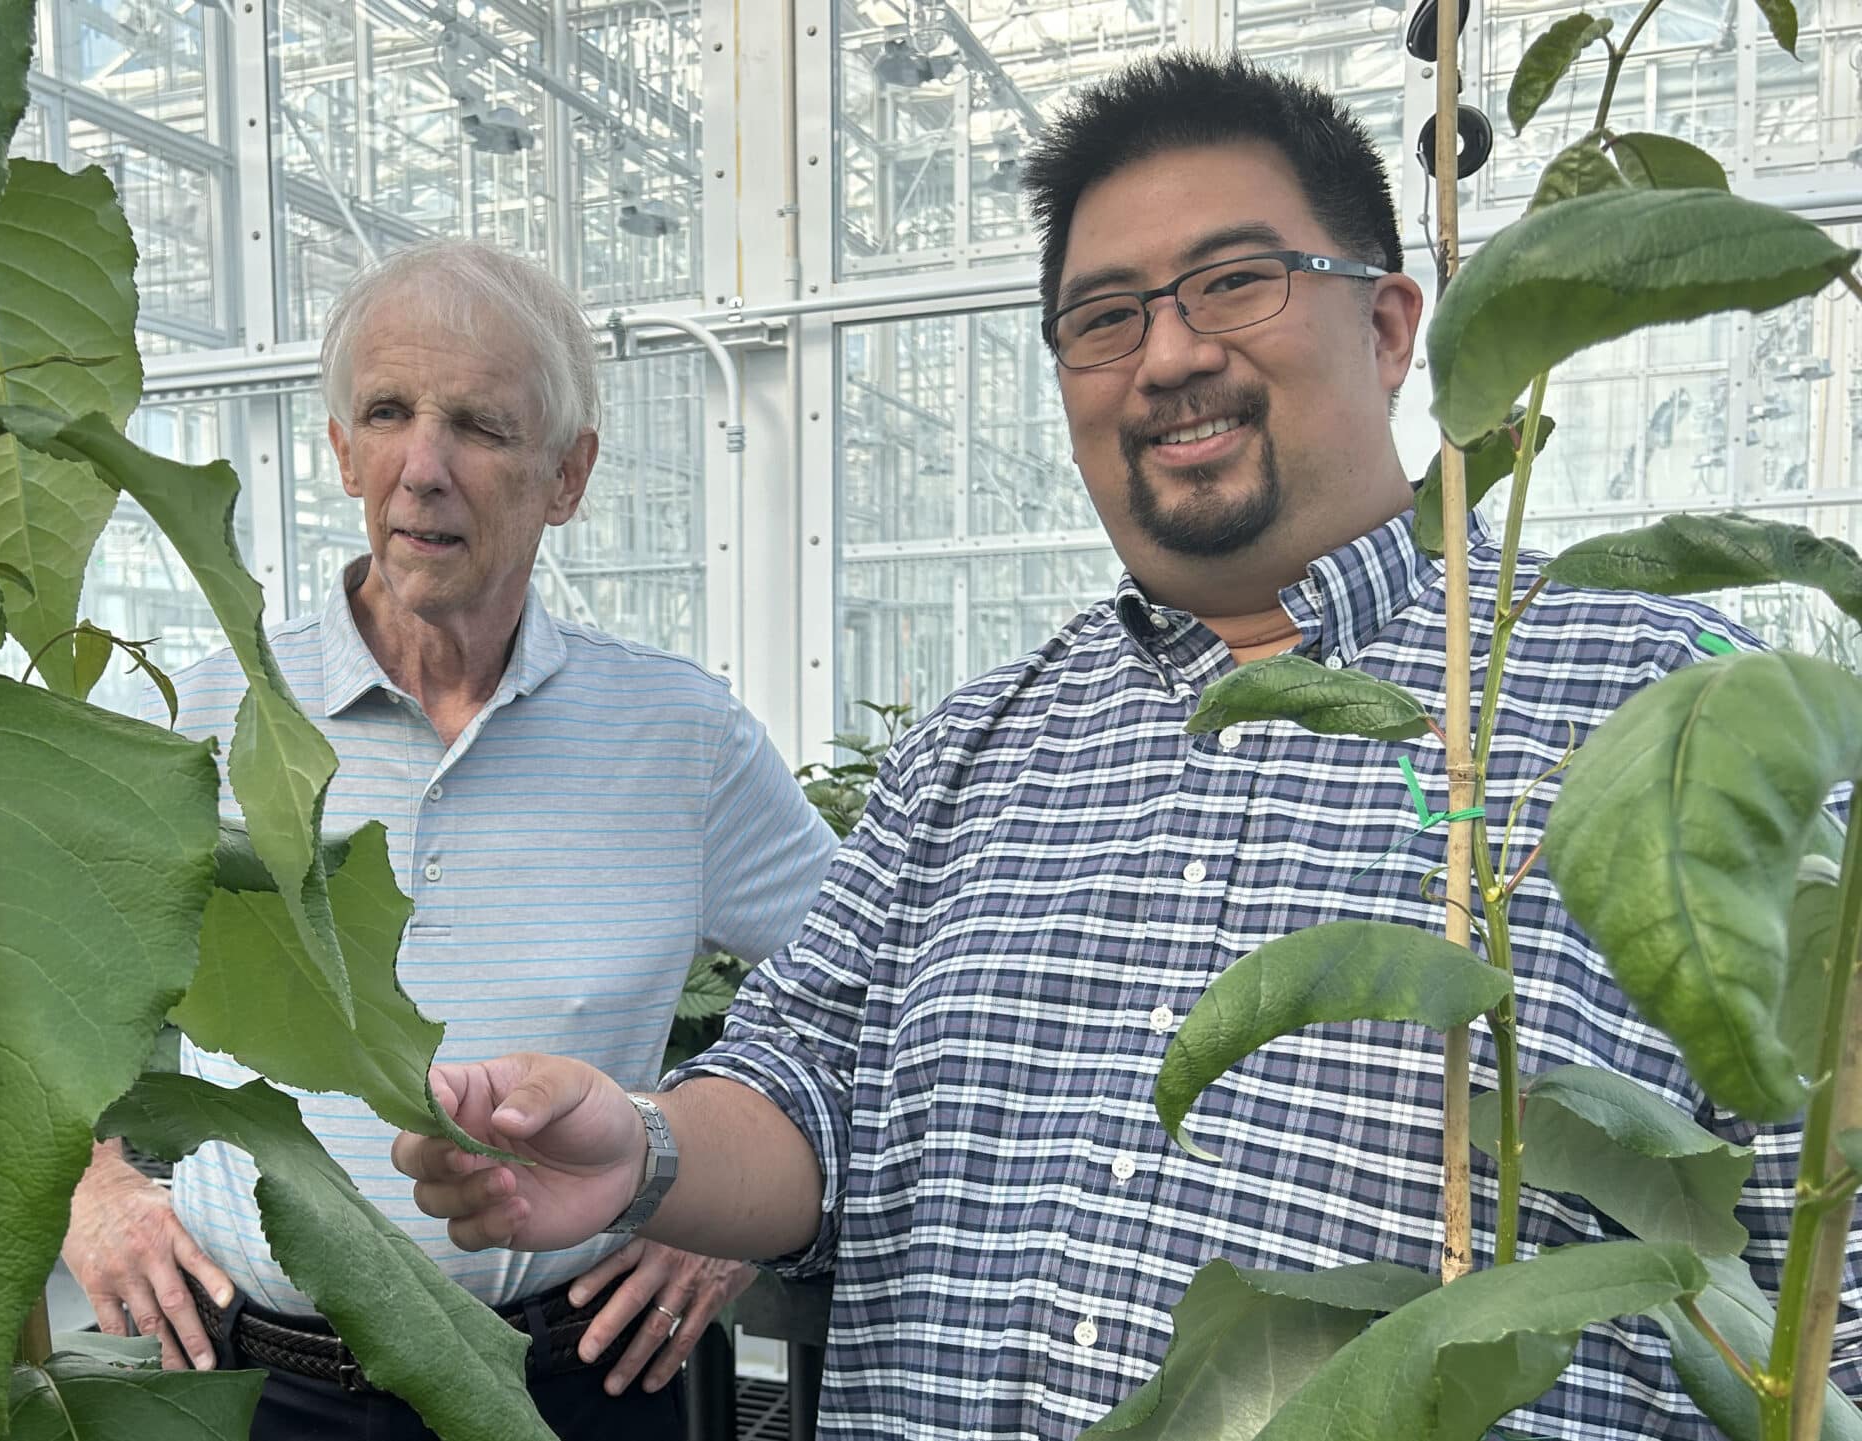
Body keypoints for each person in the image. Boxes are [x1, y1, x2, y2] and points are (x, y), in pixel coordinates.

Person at [393, 54, 1862, 1440]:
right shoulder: (976, 755)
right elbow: (802, 1086)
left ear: (1392, 323)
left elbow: (1824, 1291)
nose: (1165, 355)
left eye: (1235, 283)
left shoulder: (1656, 722)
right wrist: (640, 1149)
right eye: (1103, 318)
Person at [60, 239, 838, 1439]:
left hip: (579, 1382)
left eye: (478, 424)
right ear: (338, 450)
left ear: (566, 476)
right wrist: (94, 1178)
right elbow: (45, 999)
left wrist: (712, 1204)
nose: (422, 468)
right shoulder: (204, 722)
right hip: (262, 1388)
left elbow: (866, 985)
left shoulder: (677, 735)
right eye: (386, 412)